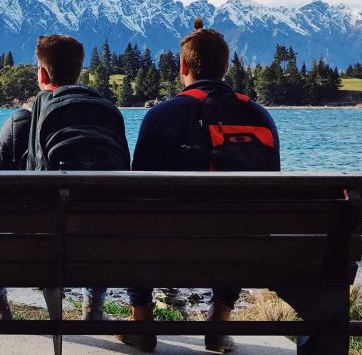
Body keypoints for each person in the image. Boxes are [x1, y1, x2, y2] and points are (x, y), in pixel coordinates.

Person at [118, 18, 280, 353]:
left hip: (168, 245)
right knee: (241, 217)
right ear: (225, 67)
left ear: (182, 66)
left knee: (131, 216)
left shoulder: (162, 115)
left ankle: (142, 319)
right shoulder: (260, 116)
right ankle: (218, 319)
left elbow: (137, 192)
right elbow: (269, 193)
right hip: (243, 249)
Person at [0, 34, 130, 321]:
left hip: (34, 247)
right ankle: (94, 306)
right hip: (97, 248)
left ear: (42, 73)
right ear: (78, 71)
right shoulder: (108, 115)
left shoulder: (18, 123)